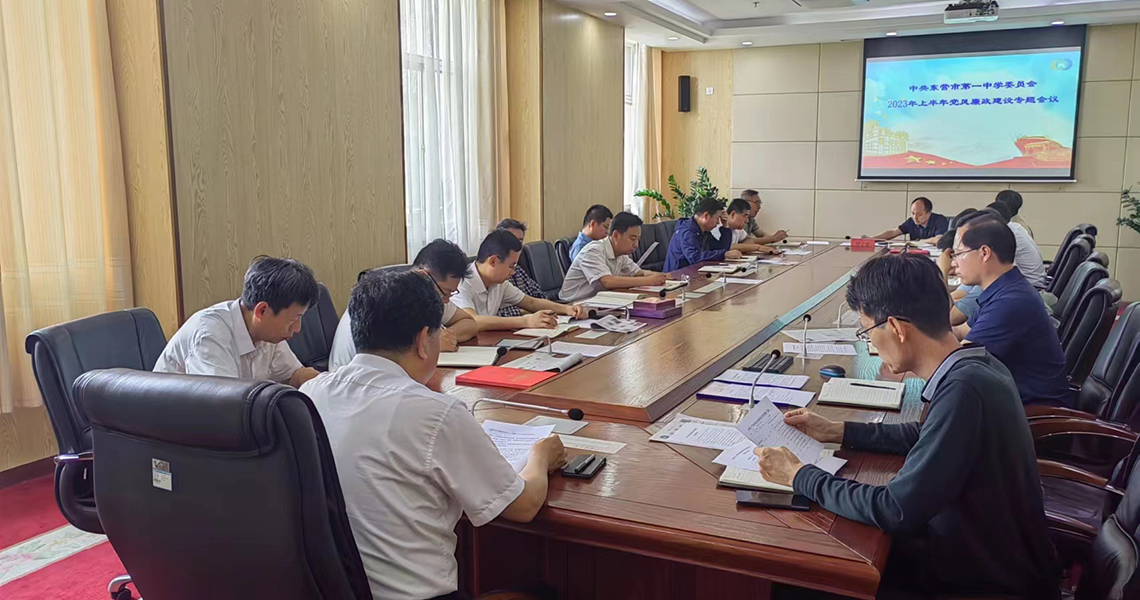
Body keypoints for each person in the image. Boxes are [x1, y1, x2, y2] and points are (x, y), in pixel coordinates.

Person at [753, 253, 1059, 600]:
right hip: (980, 556)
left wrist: (798, 475)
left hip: (980, 583)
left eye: (868, 331)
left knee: (794, 582)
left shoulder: (964, 390)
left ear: (897, 328)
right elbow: (926, 433)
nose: (870, 342)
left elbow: (894, 509)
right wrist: (837, 431)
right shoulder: (977, 363)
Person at [301, 269, 567, 600]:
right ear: (423, 340)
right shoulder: (436, 414)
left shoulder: (309, 395)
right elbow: (523, 507)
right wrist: (540, 456)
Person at [951, 217, 1075, 407]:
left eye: (959, 254)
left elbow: (958, 364)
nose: (954, 263)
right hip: (1010, 402)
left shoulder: (1010, 302)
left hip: (1031, 413)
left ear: (984, 253)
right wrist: (920, 327)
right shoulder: (1005, 288)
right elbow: (961, 331)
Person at [154, 256, 320, 387]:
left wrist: (323, 384)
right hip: (176, 419)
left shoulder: (267, 333)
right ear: (262, 311)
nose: (297, 328)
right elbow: (223, 405)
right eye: (294, 319)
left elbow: (294, 376)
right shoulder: (210, 335)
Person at [328, 239, 478, 371]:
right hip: (355, 383)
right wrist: (431, 343)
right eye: (445, 292)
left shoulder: (425, 296)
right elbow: (394, 360)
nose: (446, 300)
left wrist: (442, 337)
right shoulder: (389, 303)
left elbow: (469, 323)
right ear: (423, 276)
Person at [455, 229, 587, 331]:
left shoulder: (499, 283)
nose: (513, 272)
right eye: (511, 266)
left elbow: (530, 302)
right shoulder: (461, 282)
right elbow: (473, 321)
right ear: (493, 261)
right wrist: (527, 321)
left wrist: (567, 309)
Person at [560, 211, 667, 302]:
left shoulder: (621, 253)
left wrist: (661, 276)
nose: (636, 245)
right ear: (615, 235)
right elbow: (608, 282)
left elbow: (638, 273)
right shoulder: (593, 250)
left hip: (599, 301)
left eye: (638, 240)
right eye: (633, 239)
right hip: (573, 305)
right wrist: (649, 280)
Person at [663, 198, 743, 272]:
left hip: (693, 274)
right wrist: (724, 254)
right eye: (717, 218)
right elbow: (695, 257)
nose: (718, 222)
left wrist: (725, 227)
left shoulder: (703, 231)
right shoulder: (688, 231)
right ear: (706, 216)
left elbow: (720, 248)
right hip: (677, 277)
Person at [985, 200, 1047, 289]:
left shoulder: (1007, 234)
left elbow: (993, 266)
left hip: (1030, 286)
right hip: (1035, 281)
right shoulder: (1016, 227)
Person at [494, 219, 546, 318]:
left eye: (520, 241)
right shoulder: (495, 274)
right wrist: (527, 311)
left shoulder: (517, 269)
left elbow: (539, 297)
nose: (516, 245)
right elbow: (499, 315)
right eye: (512, 240)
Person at [873, 197, 949, 242]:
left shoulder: (940, 220)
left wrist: (920, 242)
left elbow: (939, 239)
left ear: (929, 213)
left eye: (919, 215)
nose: (915, 218)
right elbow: (893, 233)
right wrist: (872, 239)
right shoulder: (911, 221)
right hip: (915, 255)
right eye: (913, 213)